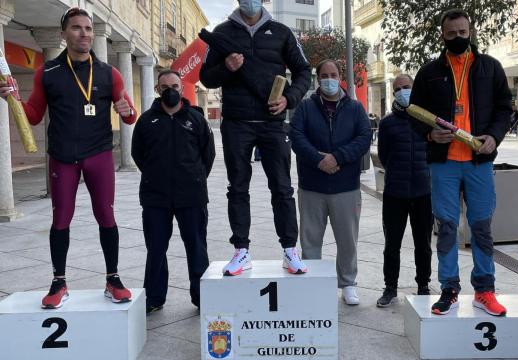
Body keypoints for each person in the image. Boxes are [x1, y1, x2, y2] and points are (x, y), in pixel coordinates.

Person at [0, 7, 136, 308]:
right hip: (63, 158)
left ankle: (112, 278)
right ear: (63, 34)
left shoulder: (108, 73)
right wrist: (13, 98)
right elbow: (34, 117)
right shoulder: (46, 73)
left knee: (106, 216)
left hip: (99, 155)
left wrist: (129, 113)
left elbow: (129, 114)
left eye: (88, 28)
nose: (84, 33)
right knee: (61, 220)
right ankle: (59, 282)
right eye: (76, 28)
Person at [410, 8, 511, 316]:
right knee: (447, 227)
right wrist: (430, 135)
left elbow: (505, 108)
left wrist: (494, 137)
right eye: (451, 33)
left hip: (479, 161)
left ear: (471, 32)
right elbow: (413, 113)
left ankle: (484, 290)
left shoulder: (491, 68)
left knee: (481, 227)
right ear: (443, 34)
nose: (457, 38)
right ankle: (449, 289)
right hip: (444, 164)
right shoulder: (429, 72)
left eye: (462, 33)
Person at [199, 0, 311, 276]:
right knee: (237, 188)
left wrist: (289, 99)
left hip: (273, 123)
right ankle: (241, 251)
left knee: (282, 188)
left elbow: (304, 71)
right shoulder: (222, 32)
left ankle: (289, 250)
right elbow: (206, 77)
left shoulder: (282, 32)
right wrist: (226, 67)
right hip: (236, 123)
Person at [131, 70, 215, 314]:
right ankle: (154, 297)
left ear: (182, 88)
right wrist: (155, 177)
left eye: (175, 86)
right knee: (156, 248)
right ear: (158, 90)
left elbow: (207, 155)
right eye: (165, 86)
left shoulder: (197, 119)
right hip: (155, 197)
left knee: (196, 247)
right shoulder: (146, 121)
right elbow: (138, 155)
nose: (171, 90)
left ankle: (202, 297)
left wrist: (195, 178)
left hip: (192, 196)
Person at [290, 59, 371, 305]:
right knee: (311, 239)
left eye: (333, 74)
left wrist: (338, 157)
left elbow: (364, 137)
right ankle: (313, 284)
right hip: (312, 186)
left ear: (340, 76)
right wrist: (318, 160)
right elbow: (296, 136)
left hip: (346, 186)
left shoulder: (355, 108)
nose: (329, 79)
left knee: (348, 240)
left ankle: (347, 283)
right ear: (318, 78)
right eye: (324, 74)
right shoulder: (305, 107)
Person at [376, 74, 432, 307]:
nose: (403, 91)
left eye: (407, 87)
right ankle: (390, 287)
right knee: (392, 245)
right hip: (394, 194)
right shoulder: (387, 123)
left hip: (423, 193)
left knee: (424, 244)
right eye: (398, 89)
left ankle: (423, 286)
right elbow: (383, 156)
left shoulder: (428, 120)